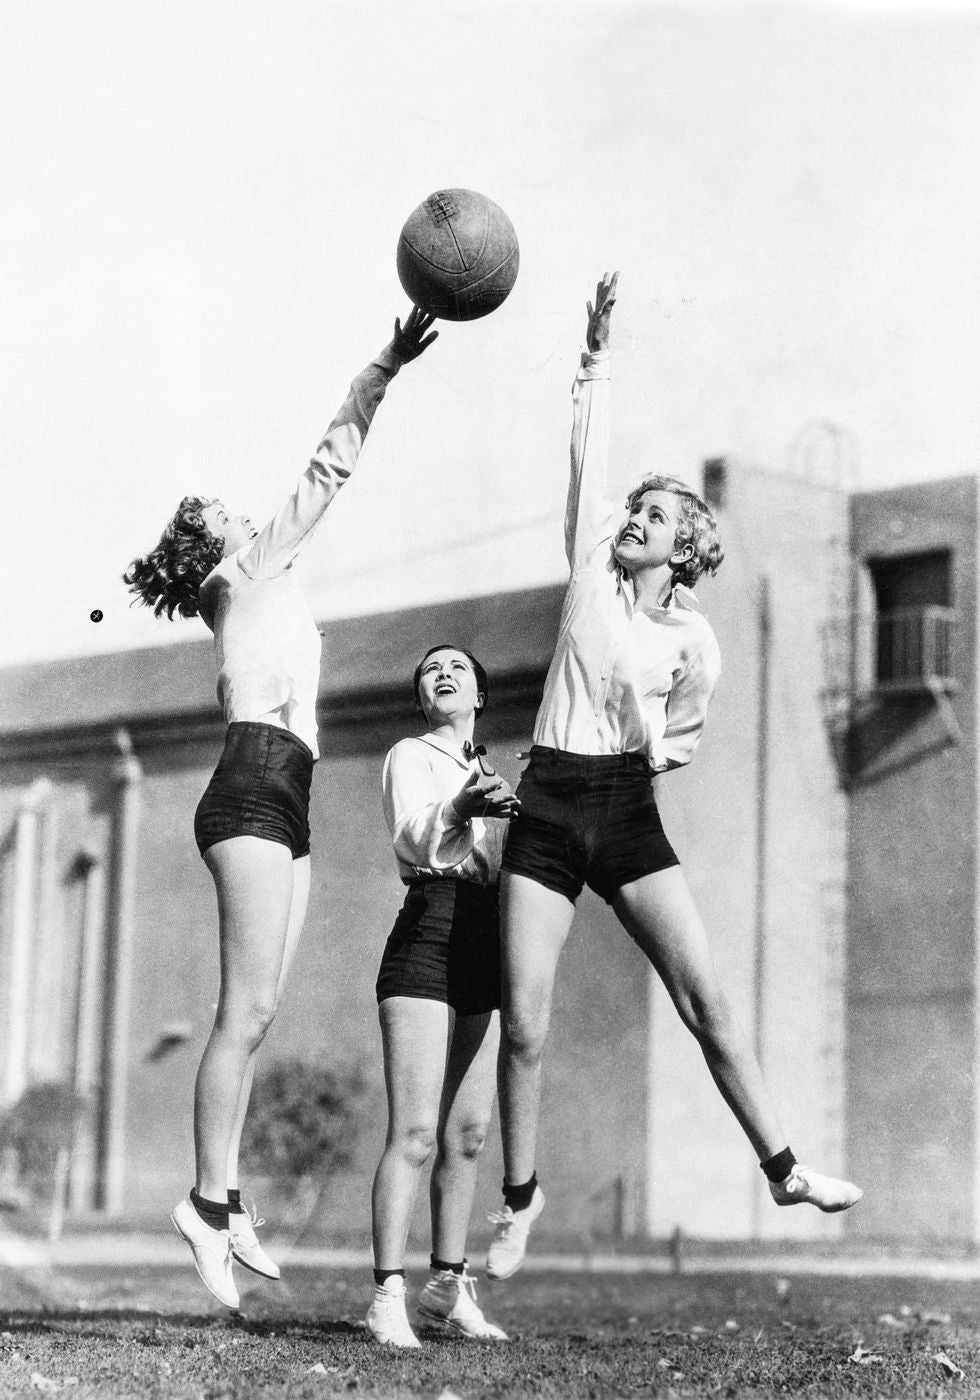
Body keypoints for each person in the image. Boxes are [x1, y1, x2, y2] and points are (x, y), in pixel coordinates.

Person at [487, 273, 862, 1281]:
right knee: (524, 1018)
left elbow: (681, 735)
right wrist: (593, 361)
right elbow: (585, 462)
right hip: (548, 800)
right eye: (634, 509)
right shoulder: (586, 575)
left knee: (707, 1000)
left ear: (686, 541)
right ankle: (520, 1198)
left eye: (655, 512)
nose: (634, 518)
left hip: (624, 808)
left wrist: (648, 744)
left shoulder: (694, 639)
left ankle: (782, 1167)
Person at [122, 307, 438, 1310]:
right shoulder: (242, 570)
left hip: (287, 787)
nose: (242, 508)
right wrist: (383, 363)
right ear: (203, 542)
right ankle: (206, 1204)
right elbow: (327, 465)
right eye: (219, 506)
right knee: (242, 1009)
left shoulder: (259, 577)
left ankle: (226, 1195)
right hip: (253, 779)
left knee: (258, 1015)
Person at [365, 644, 518, 1348]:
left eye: (458, 668)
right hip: (429, 928)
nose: (445, 674)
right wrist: (463, 804)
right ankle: (388, 1295)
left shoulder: (491, 772)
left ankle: (449, 1290)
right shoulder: (410, 754)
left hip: (485, 935)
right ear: (423, 697)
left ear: (480, 695)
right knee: (417, 1134)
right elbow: (416, 837)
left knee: (468, 1134)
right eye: (430, 670)